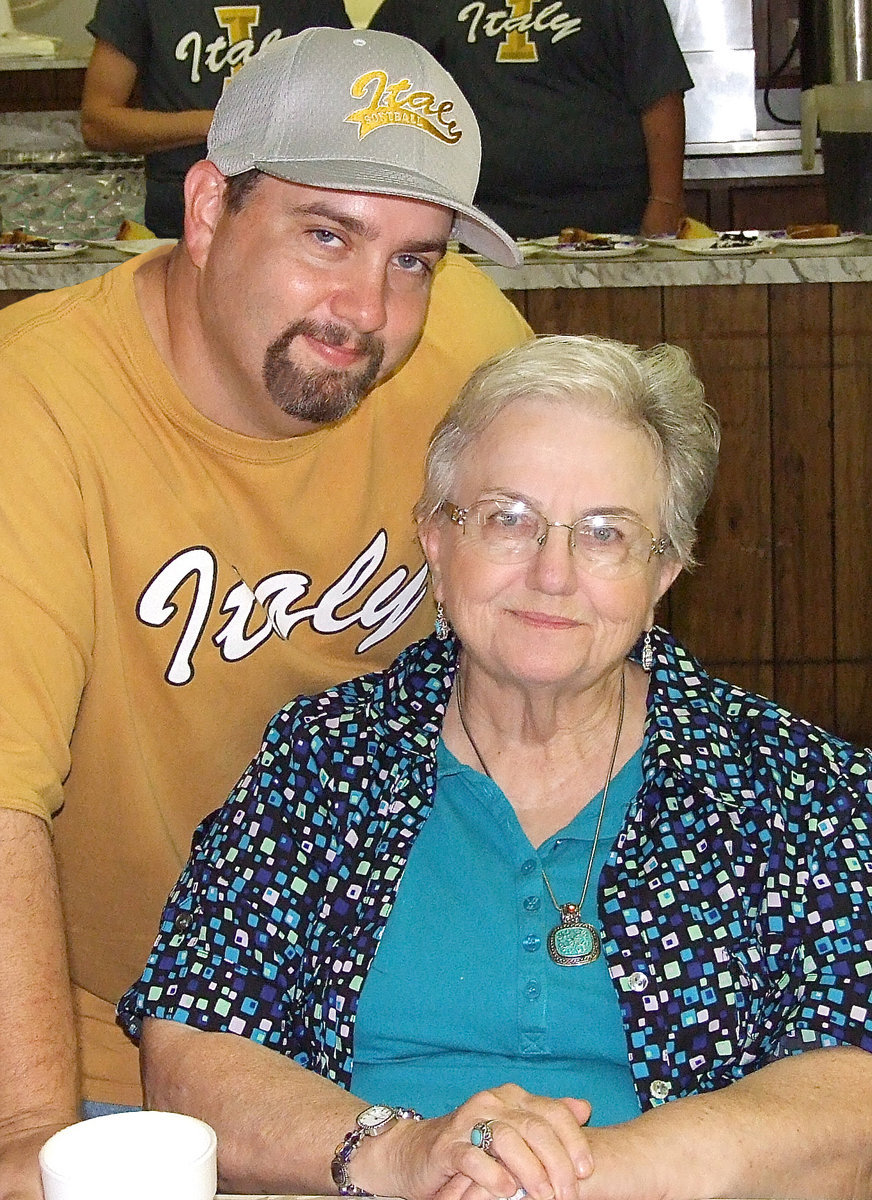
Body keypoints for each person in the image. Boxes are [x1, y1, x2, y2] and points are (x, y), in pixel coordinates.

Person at [119, 334, 872, 1200]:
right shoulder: (321, 760)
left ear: (663, 570)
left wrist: (565, 1178)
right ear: (436, 540)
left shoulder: (798, 786)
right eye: (508, 519)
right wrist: (402, 1154)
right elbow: (190, 1055)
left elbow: (848, 1102)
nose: (551, 574)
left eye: (605, 534)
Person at [0, 26, 530, 1200]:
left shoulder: (466, 352)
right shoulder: (33, 408)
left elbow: (586, 645)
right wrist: (36, 1139)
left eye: (413, 259)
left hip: (418, 1056)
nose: (365, 311)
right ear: (205, 210)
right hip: (121, 1074)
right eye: (325, 234)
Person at [368, 0, 693, 239]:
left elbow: (660, 94)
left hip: (610, 227)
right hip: (469, 231)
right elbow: (380, 84)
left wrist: (665, 203)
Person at [80, 0, 350, 236]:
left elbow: (345, 106)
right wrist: (221, 122)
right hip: (178, 211)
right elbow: (98, 123)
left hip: (289, 201)